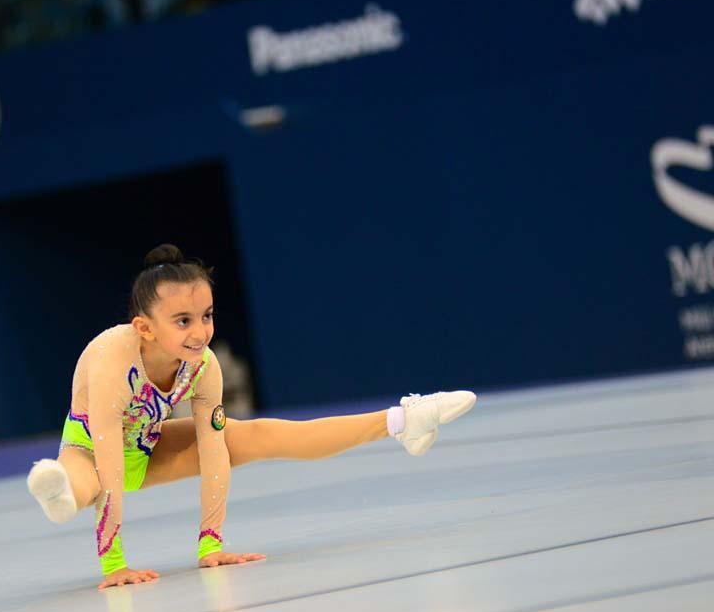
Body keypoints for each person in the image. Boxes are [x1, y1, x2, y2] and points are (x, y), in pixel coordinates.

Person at [27, 243, 477, 590]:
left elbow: (214, 451)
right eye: (182, 321)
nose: (200, 331)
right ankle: (57, 493)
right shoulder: (111, 358)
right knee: (83, 483)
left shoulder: (203, 366)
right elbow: (108, 455)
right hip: (90, 450)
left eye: (206, 315)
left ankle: (401, 421)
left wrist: (211, 545)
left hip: (150, 444)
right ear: (145, 328)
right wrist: (114, 563)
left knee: (256, 435)